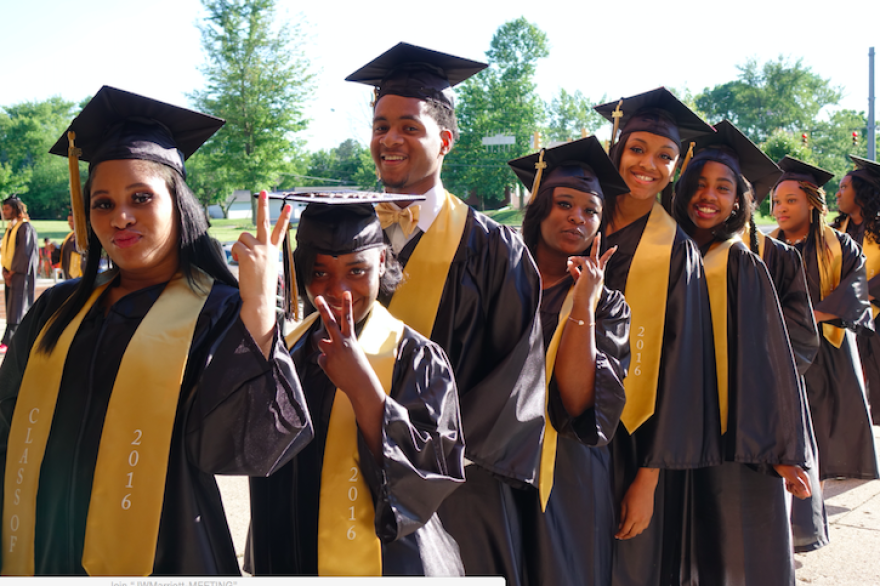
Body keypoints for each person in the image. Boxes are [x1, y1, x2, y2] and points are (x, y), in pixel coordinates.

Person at [0, 86, 312, 576]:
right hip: (42, 539)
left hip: (166, 548)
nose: (119, 216)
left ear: (178, 203)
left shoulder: (219, 311)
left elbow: (247, 447)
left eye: (140, 197)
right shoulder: (58, 308)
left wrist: (257, 311)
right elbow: (7, 418)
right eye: (102, 203)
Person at [346, 43, 545, 584]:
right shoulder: (344, 236)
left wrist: (420, 465)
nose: (390, 139)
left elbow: (515, 378)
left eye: (409, 127)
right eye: (381, 125)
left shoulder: (496, 250)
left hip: (455, 487)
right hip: (345, 474)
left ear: (445, 140)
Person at [248, 193, 465, 576]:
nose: (338, 290)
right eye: (319, 273)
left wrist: (364, 389)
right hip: (295, 557)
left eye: (356, 270)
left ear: (382, 262)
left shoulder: (416, 358)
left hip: (390, 565)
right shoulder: (288, 352)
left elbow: (430, 477)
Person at [671, 121, 814, 585]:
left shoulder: (738, 263)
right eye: (699, 184)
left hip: (735, 434)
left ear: (739, 201)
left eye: (723, 187)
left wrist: (781, 446)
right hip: (674, 431)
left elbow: (766, 362)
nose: (708, 196)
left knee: (737, 551)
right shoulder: (670, 254)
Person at [592, 88, 720, 586]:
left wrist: (648, 477)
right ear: (617, 150)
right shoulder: (581, 225)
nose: (649, 164)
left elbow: (681, 371)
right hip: (560, 431)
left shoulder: (676, 251)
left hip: (633, 441)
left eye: (665, 155)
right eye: (638, 149)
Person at [508, 136, 630, 585]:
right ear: (540, 207)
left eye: (591, 211)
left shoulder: (609, 307)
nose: (577, 217)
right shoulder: (498, 283)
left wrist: (582, 307)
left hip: (568, 473)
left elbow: (581, 406)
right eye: (564, 203)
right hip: (493, 467)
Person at [769, 156, 879, 482]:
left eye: (791, 200)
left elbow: (854, 291)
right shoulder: (764, 246)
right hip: (778, 346)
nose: (781, 208)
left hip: (826, 348)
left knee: (825, 421)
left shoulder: (841, 245)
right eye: (776, 201)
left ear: (813, 203)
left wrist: (808, 317)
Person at [832, 155, 880, 425]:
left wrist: (859, 295)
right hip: (842, 318)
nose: (838, 194)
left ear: (861, 192)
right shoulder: (834, 230)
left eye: (843, 188)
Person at [1, 195, 38, 353]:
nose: (4, 212)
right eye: (3, 209)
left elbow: (24, 253)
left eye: (7, 209)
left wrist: (13, 271)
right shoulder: (11, 227)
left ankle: (12, 340)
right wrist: (5, 270)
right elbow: (7, 250)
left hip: (21, 272)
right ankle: (10, 339)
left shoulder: (25, 227)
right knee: (11, 305)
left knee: (18, 305)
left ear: (16, 209)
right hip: (11, 272)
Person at [60, 210, 84, 280]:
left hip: (79, 272)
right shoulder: (70, 236)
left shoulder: (83, 236)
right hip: (68, 272)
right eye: (68, 221)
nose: (69, 223)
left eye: (71, 221)